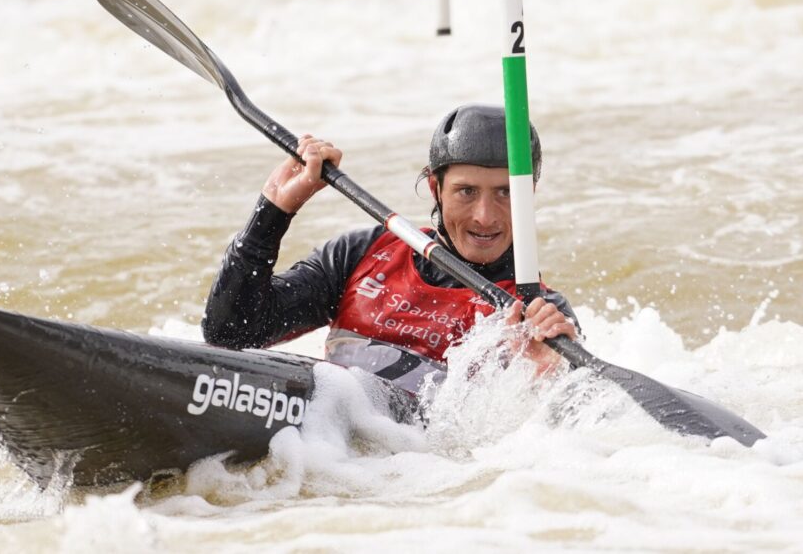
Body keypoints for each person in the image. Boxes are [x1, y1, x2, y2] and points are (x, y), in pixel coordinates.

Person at [202, 104, 579, 392]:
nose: (485, 216)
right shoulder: (362, 254)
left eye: (505, 193)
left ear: (529, 194)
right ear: (435, 189)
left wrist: (540, 376)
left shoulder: (542, 316)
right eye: (466, 191)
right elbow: (231, 333)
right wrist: (275, 208)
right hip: (327, 445)